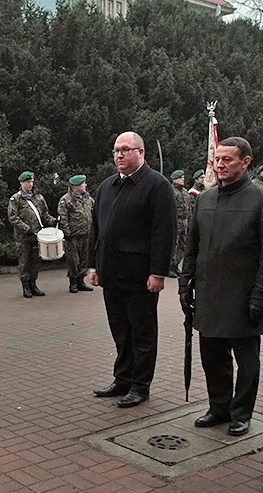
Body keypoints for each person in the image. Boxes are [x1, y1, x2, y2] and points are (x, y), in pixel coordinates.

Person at [179, 137, 263, 437]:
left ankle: (241, 413)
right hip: (209, 294)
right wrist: (185, 282)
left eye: (227, 159)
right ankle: (219, 407)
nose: (220, 164)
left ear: (246, 162)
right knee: (212, 356)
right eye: (217, 159)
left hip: (243, 297)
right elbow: (192, 247)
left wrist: (260, 298)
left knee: (246, 361)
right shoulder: (205, 198)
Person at [89, 132, 176, 407]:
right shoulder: (107, 186)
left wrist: (158, 272)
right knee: (120, 330)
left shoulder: (156, 186)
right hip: (111, 273)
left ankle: (140, 385)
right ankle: (122, 378)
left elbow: (164, 232)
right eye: (116, 150)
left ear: (141, 152)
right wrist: (94, 265)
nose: (119, 155)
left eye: (125, 150)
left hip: (140, 277)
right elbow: (97, 229)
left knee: (142, 333)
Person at [7, 171, 56, 298]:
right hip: (23, 237)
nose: (30, 184)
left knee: (35, 262)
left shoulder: (39, 197)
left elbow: (44, 215)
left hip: (38, 236)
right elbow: (13, 217)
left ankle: (33, 284)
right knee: (24, 262)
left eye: (31, 182)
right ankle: (25, 287)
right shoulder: (16, 199)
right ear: (21, 183)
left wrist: (53, 221)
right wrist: (27, 229)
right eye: (27, 182)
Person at [57, 174, 94, 293]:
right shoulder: (66, 200)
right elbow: (63, 217)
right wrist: (67, 233)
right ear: (76, 186)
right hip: (72, 236)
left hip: (86, 234)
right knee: (73, 260)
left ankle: (81, 281)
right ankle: (73, 283)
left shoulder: (88, 198)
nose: (85, 185)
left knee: (84, 260)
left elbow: (95, 211)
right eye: (83, 184)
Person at [169, 169, 191, 277]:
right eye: (180, 178)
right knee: (174, 244)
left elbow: (189, 208)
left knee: (182, 245)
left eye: (183, 178)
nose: (183, 180)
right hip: (175, 221)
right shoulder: (171, 191)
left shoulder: (185, 192)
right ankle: (170, 267)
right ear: (174, 179)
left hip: (184, 221)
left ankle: (176, 265)